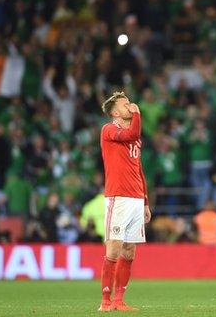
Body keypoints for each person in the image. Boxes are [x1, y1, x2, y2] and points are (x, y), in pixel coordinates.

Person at [98, 92, 151, 312]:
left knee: (129, 251)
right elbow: (131, 134)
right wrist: (138, 113)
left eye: (131, 103)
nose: (131, 106)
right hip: (118, 197)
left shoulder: (134, 137)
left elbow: (139, 169)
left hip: (136, 199)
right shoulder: (109, 130)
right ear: (116, 112)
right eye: (126, 104)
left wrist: (145, 201)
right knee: (113, 249)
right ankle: (105, 301)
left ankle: (119, 301)